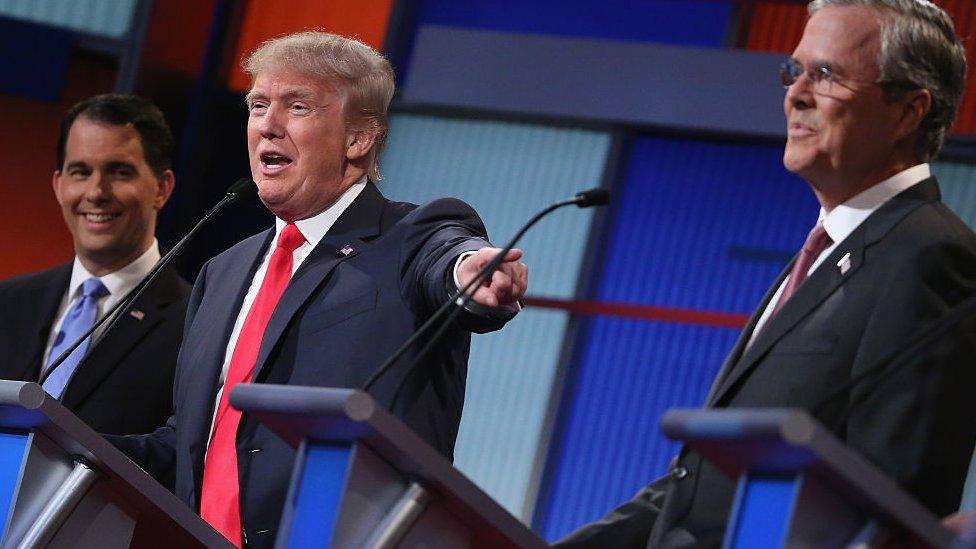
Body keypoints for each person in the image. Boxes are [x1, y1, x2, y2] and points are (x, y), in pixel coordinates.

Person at [558, 1, 976, 547]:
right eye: (794, 70)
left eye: (825, 75)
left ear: (908, 111)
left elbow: (890, 502)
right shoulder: (827, 249)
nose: (795, 94)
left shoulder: (929, 256)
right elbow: (704, 488)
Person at [110, 32, 528, 547]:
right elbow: (193, 445)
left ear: (358, 139)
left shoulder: (407, 237)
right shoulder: (222, 272)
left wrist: (469, 273)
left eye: (298, 106)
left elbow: (447, 258)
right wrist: (70, 450)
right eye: (258, 104)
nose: (268, 124)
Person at [0, 94, 189, 435]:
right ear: (59, 186)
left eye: (119, 172)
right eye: (80, 172)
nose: (96, 192)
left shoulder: (194, 322)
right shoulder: (8, 302)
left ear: (162, 188)